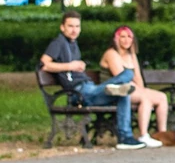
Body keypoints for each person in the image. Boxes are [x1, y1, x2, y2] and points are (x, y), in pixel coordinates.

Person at [39, 10, 146, 150]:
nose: (74, 30)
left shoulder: (73, 44)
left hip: (89, 88)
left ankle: (125, 139)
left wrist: (78, 66)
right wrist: (70, 66)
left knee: (123, 94)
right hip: (79, 93)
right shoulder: (58, 43)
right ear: (62, 27)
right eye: (70, 26)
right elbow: (44, 64)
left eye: (77, 26)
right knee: (127, 75)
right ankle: (115, 85)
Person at [99, 25, 168, 148]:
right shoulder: (111, 53)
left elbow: (137, 77)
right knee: (145, 99)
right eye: (122, 36)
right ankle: (143, 135)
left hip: (131, 89)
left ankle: (162, 134)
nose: (126, 40)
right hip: (115, 91)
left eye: (129, 37)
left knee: (162, 97)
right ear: (116, 39)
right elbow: (121, 79)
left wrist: (142, 90)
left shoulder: (131, 55)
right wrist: (142, 93)